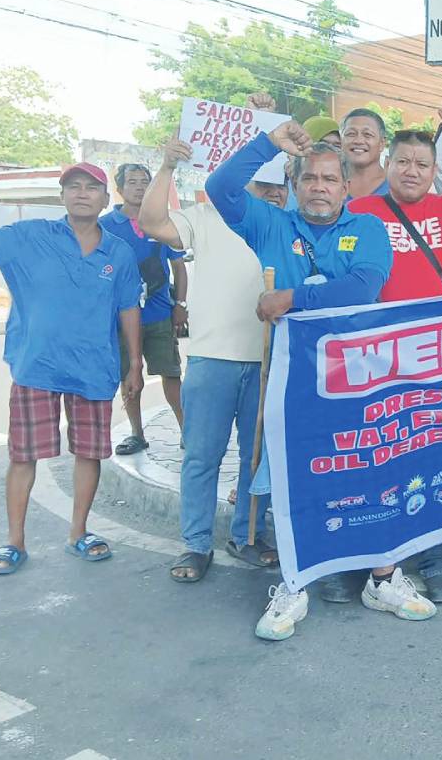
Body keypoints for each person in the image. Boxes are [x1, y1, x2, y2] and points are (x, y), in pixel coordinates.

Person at [204, 119, 415, 637]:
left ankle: (383, 577)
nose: (319, 187)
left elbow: (363, 288)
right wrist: (268, 143)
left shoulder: (366, 228)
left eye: (329, 179)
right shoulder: (271, 225)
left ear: (346, 186)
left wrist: (290, 300)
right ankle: (293, 585)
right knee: (289, 481)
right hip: (290, 383)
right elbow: (219, 188)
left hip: (357, 382)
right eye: (309, 179)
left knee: (370, 473)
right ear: (295, 186)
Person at [0, 159, 143, 575]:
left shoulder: (119, 251)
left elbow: (129, 308)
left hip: (94, 367)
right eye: (73, 186)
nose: (81, 193)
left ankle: (79, 532)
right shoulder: (30, 236)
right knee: (24, 456)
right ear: (61, 196)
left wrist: (135, 364)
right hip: (36, 365)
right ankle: (14, 541)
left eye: (90, 187)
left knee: (89, 453)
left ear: (103, 197)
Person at [345, 98, 442, 603]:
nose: (412, 171)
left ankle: (435, 558)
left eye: (423, 164)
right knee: (375, 459)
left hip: (433, 359)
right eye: (403, 161)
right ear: (387, 164)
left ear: (435, 172)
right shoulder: (358, 210)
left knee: (433, 459)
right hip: (373, 359)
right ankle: (365, 563)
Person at [138, 138, 292, 583]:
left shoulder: (289, 225)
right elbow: (151, 222)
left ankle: (246, 535)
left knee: (254, 457)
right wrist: (166, 166)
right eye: (261, 184)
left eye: (279, 185)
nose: (272, 192)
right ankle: (195, 544)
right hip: (211, 359)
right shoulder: (207, 217)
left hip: (267, 360)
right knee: (202, 456)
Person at [103, 163, 187, 456]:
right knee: (129, 377)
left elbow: (178, 266)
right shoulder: (105, 226)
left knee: (171, 374)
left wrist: (180, 304)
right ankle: (137, 434)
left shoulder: (161, 221)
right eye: (132, 182)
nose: (139, 187)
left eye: (144, 182)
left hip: (159, 313)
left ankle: (186, 432)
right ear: (120, 188)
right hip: (121, 318)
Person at [338, 107, 391, 200]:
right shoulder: (328, 185)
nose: (359, 141)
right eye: (351, 134)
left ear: (382, 143)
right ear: (341, 141)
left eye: (367, 134)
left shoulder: (396, 188)